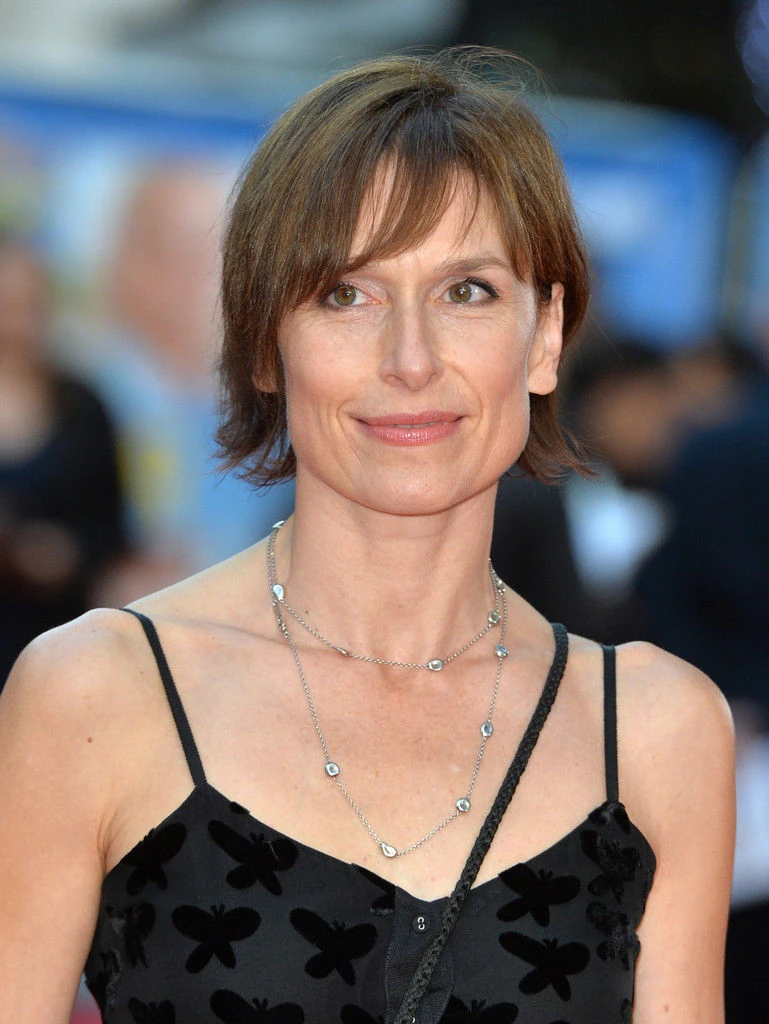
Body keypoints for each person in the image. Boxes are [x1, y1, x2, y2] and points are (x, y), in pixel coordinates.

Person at [0, 51, 734, 1024]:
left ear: (546, 334)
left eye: (466, 291)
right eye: (345, 293)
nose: (410, 359)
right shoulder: (96, 694)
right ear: (264, 343)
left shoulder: (654, 729)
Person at [0, 235, 126, 687]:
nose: (21, 316)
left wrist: (66, 553)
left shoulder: (83, 405)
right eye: (9, 301)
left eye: (31, 300)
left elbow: (116, 525)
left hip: (62, 646)